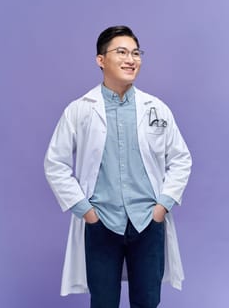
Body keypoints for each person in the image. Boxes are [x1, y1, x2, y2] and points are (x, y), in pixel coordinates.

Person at [44, 25, 192, 308]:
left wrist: (162, 207)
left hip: (148, 222)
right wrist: (86, 213)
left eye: (136, 53)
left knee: (148, 301)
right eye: (121, 52)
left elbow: (181, 159)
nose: (131, 59)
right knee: (103, 302)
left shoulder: (156, 108)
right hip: (101, 223)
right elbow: (55, 163)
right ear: (101, 60)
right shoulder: (80, 109)